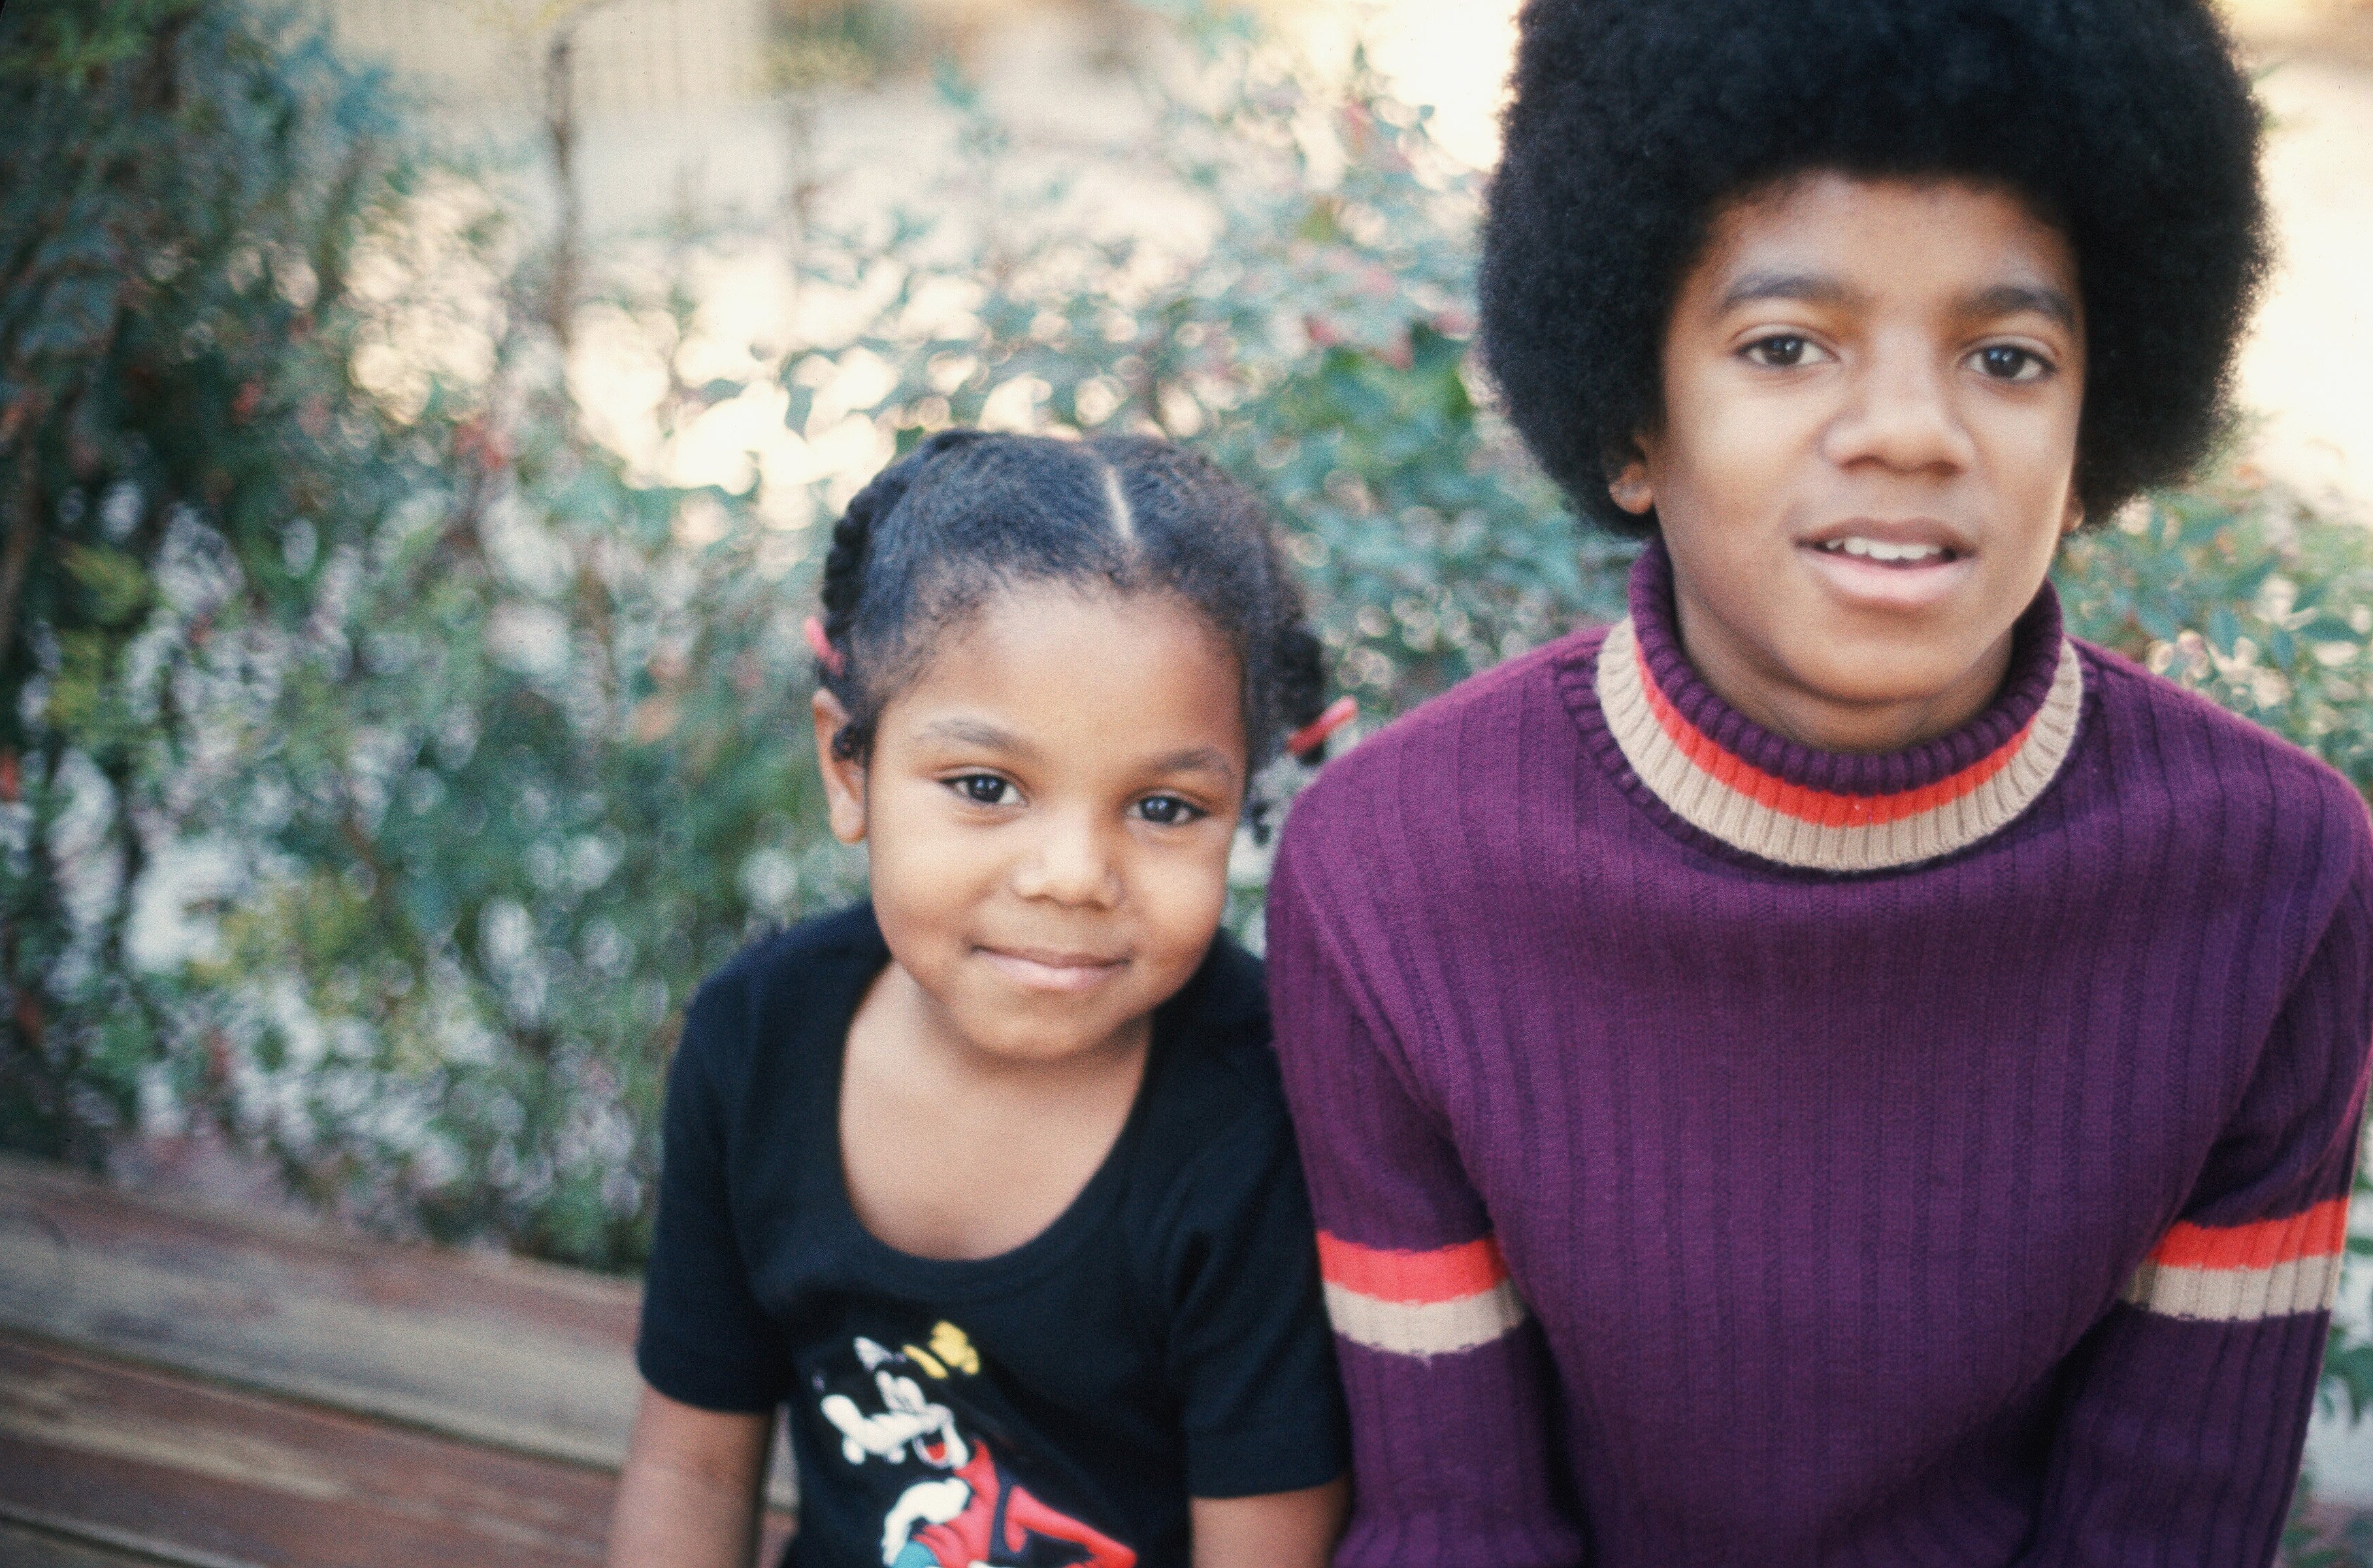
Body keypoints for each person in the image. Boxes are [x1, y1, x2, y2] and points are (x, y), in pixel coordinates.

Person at [1266, 0, 2373, 1563]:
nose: (1911, 434)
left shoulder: (2271, 880)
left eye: (2006, 355)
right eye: (1786, 347)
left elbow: (2163, 1528)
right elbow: (1460, 1525)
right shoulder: (1396, 877)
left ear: (2096, 423)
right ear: (1633, 418)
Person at [612, 430, 1354, 1568]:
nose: (1071, 874)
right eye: (986, 787)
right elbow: (690, 1463)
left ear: (1240, 800)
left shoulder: (1262, 1123)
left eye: (1163, 808)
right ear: (849, 770)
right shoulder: (756, 1042)